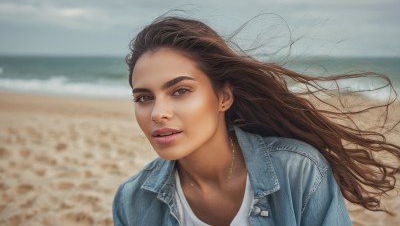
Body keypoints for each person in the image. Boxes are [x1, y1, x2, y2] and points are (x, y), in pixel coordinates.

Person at [112, 15, 400, 225]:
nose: (157, 113)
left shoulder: (299, 171)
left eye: (180, 90)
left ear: (223, 98)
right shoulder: (132, 201)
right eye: (143, 98)